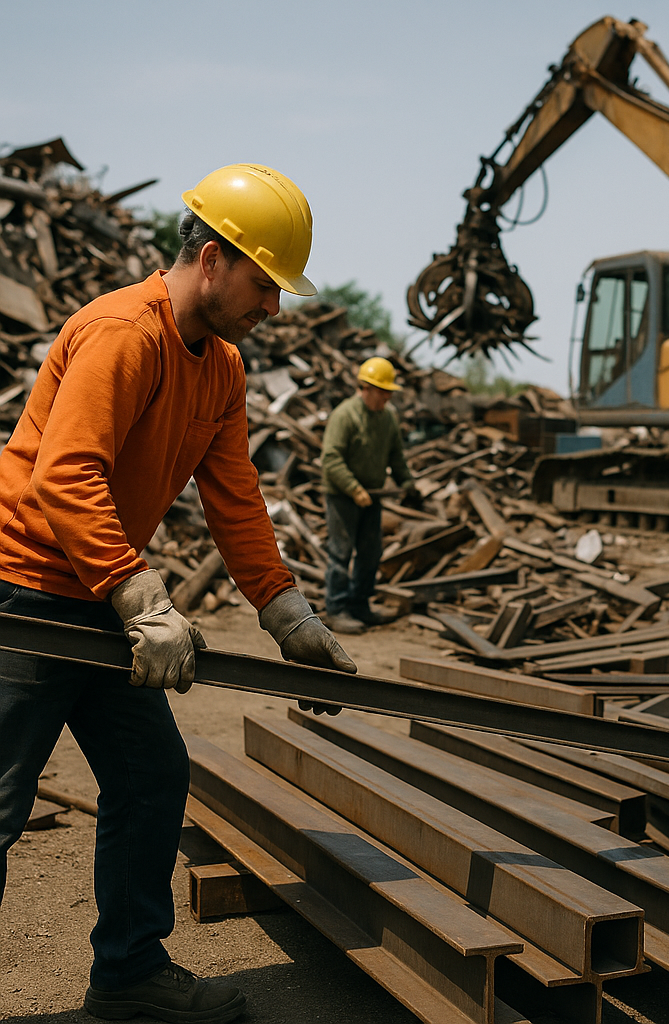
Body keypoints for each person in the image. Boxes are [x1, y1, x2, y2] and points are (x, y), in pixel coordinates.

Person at [0, 163, 358, 1024]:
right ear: (210, 259)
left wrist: (288, 612)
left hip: (99, 598)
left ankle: (126, 975)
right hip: (24, 596)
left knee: (153, 774)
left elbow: (235, 498)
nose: (275, 307)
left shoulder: (222, 368)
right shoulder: (125, 333)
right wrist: (141, 596)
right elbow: (66, 475)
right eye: (266, 285)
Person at [320, 356, 417, 634]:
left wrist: (408, 483)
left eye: (389, 392)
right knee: (341, 552)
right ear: (365, 388)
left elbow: (396, 456)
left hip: (371, 495)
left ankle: (359, 605)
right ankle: (336, 609)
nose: (387, 397)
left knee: (370, 552)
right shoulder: (345, 416)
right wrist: (353, 488)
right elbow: (331, 459)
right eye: (383, 391)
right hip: (342, 496)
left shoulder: (388, 418)